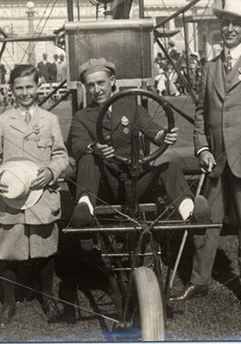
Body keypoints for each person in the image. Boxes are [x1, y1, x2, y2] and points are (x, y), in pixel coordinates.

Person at [169, 0, 241, 310]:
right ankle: (199, 282)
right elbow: (200, 115)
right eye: (226, 23)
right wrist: (203, 148)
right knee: (204, 222)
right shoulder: (210, 68)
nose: (230, 28)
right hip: (216, 162)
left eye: (237, 23)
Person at [67, 58, 208, 251]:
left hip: (136, 179)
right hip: (105, 185)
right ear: (85, 88)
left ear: (112, 81)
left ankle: (192, 216)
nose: (97, 89)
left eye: (101, 83)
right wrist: (94, 148)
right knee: (87, 159)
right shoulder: (81, 117)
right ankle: (84, 213)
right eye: (90, 86)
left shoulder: (131, 108)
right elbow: (78, 145)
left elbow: (152, 129)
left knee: (171, 168)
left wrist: (163, 135)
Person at [0, 64, 69, 326]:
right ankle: (8, 302)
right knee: (10, 249)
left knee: (44, 247)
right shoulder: (3, 121)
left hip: (42, 197)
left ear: (38, 87)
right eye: (19, 87)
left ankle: (47, 297)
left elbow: (61, 155)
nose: (24, 92)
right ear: (11, 90)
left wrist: (53, 171)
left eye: (29, 86)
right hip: (11, 197)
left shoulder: (49, 120)